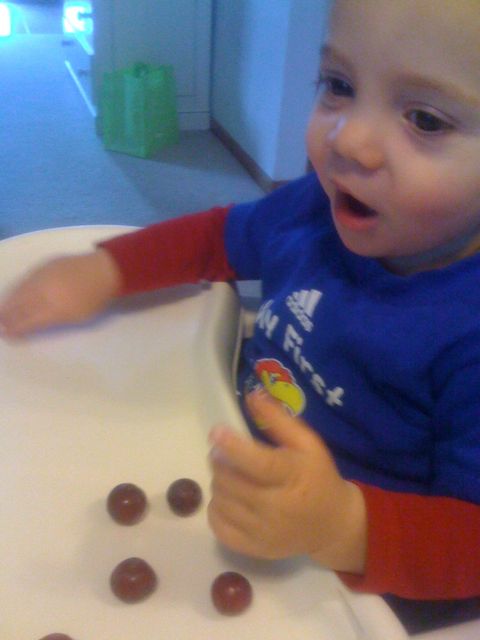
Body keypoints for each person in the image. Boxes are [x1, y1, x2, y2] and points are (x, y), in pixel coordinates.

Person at [1, 0, 480, 630]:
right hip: (229, 460)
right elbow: (215, 238)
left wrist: (344, 526)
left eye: (425, 119)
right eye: (339, 85)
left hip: (360, 580)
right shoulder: (311, 212)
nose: (349, 140)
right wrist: (107, 269)